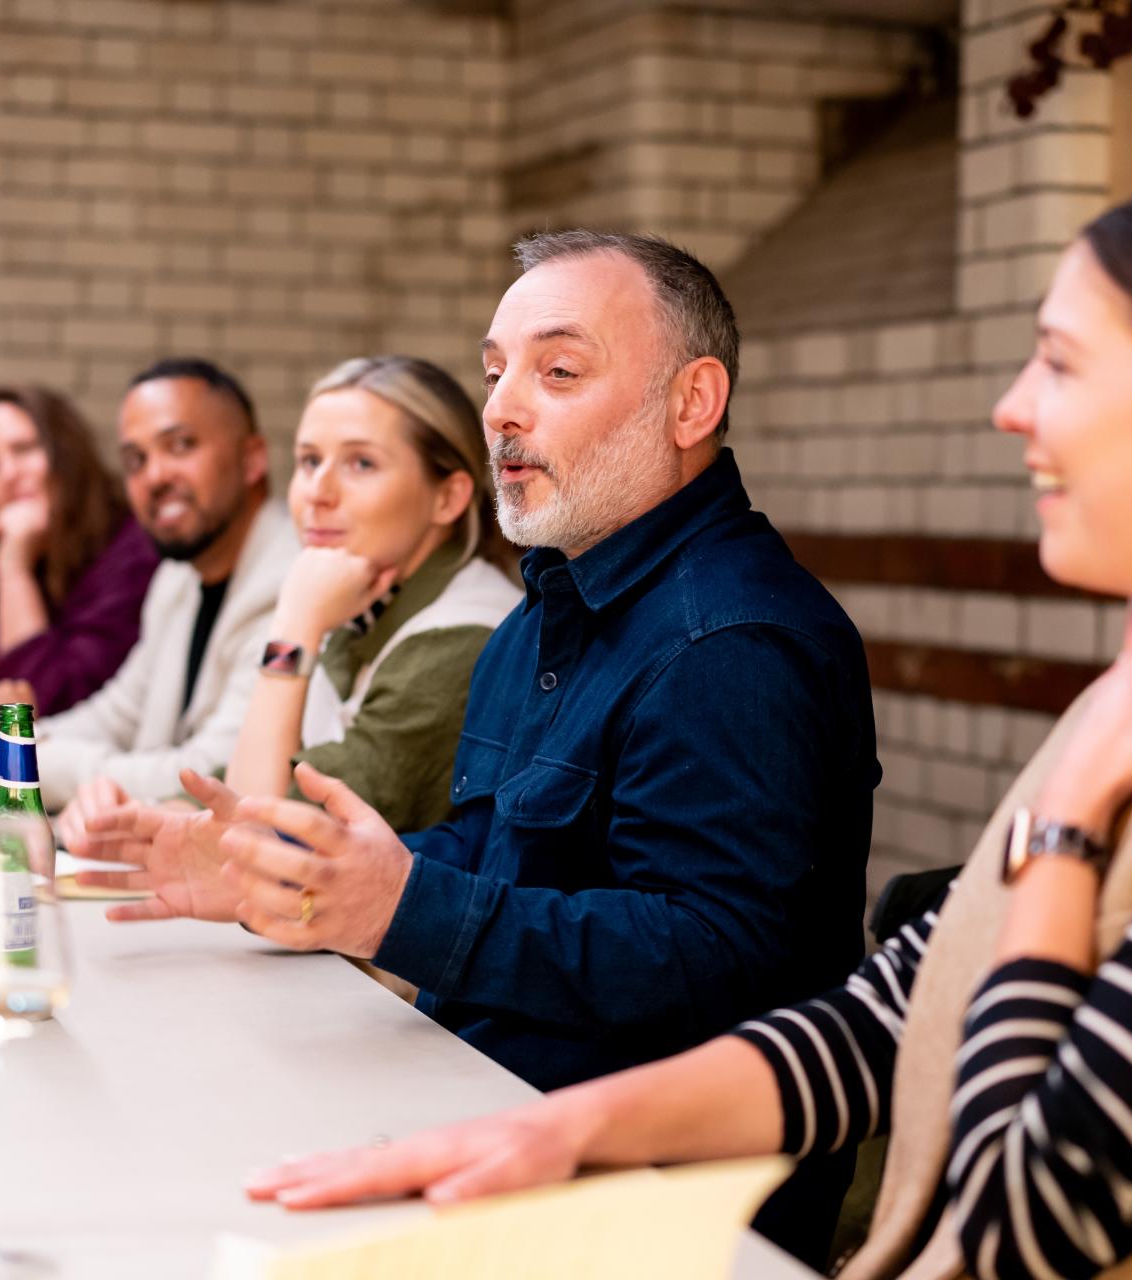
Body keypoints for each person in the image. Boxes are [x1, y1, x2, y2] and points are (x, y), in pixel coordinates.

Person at [237, 179, 1132, 1280]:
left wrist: (1064, 840)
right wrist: (556, 1132)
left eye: (1060, 364)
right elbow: (897, 1011)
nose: (1012, 407)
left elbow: (1033, 1211)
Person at [81, 232, 880, 1263]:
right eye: (496, 370)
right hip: (478, 1106)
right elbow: (493, 848)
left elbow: (717, 960)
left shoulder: (732, 641)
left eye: (559, 371)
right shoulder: (540, 616)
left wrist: (401, 907)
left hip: (657, 1210)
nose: (502, 407)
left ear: (692, 404)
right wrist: (301, 878)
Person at [57, 355, 520, 854]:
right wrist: (134, 818)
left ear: (447, 498)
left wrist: (294, 626)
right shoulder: (363, 599)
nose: (318, 492)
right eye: (309, 461)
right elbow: (239, 786)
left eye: (361, 463)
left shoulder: (459, 639)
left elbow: (261, 832)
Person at [36, 357, 297, 808]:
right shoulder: (177, 577)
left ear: (252, 459)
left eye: (180, 445)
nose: (154, 476)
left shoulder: (295, 584)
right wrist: (15, 741)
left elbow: (213, 775)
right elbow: (118, 713)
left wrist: (32, 763)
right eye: (136, 460)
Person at [0, 386, 157, 767]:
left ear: (65, 451)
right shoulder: (0, 565)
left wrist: (15, 570)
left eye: (23, 449)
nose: (9, 473)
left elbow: (48, 711)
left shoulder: (135, 551)